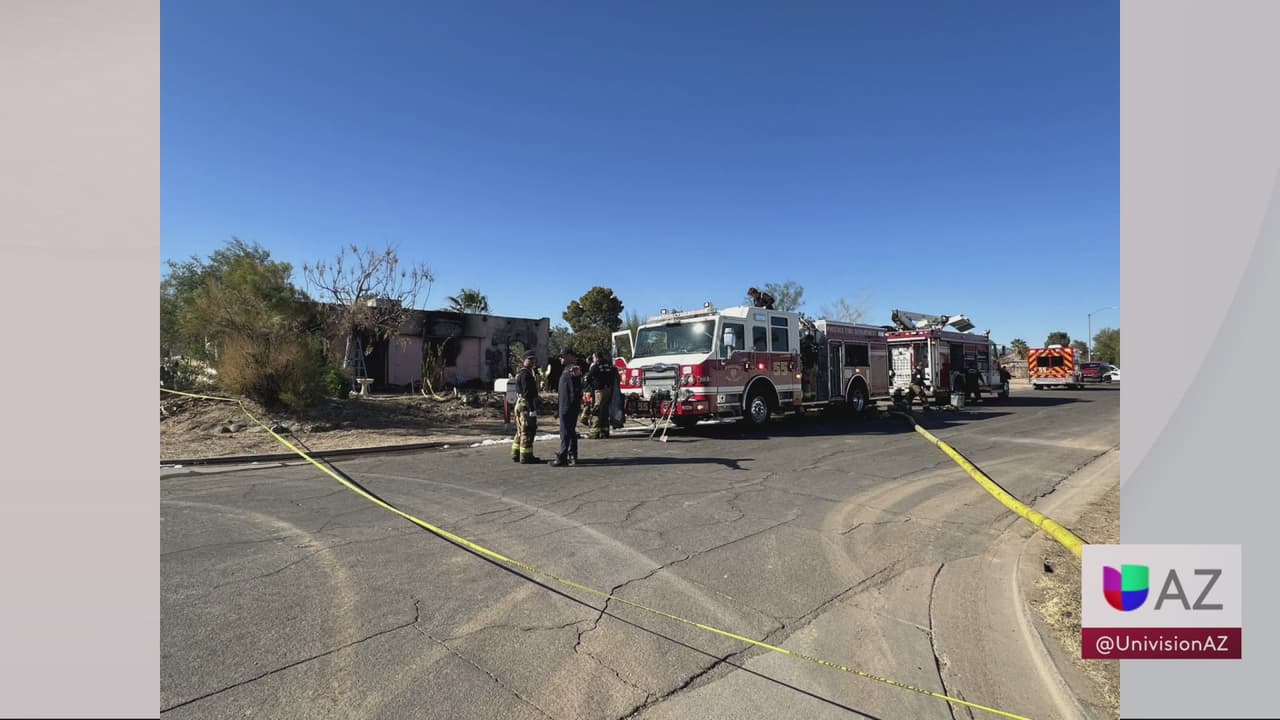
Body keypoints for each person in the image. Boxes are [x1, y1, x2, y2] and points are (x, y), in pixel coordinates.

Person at [511, 349, 543, 464]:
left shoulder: (523, 372)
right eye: (530, 359)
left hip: (521, 403)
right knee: (528, 430)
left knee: (520, 430)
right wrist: (532, 408)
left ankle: (516, 453)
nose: (532, 361)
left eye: (533, 359)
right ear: (524, 360)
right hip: (526, 404)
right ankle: (526, 456)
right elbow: (527, 393)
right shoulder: (525, 374)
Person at [551, 349, 583, 467]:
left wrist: (571, 406)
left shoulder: (572, 370)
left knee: (565, 431)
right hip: (565, 405)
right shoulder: (566, 370)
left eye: (563, 356)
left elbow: (575, 391)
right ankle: (571, 454)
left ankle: (563, 456)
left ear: (570, 356)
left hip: (568, 406)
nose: (560, 358)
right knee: (569, 431)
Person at [585, 351, 620, 439]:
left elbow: (588, 378)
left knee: (596, 411)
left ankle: (594, 433)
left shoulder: (596, 366)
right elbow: (616, 377)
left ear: (596, 358)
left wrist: (591, 386)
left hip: (599, 391)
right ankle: (605, 431)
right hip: (608, 390)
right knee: (605, 411)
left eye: (593, 358)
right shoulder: (610, 366)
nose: (593, 359)